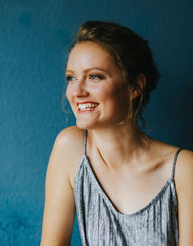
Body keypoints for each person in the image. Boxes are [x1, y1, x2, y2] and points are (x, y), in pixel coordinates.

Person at [40, 21, 193, 246]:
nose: (77, 91)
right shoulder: (69, 147)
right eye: (71, 77)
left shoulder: (184, 170)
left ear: (135, 87)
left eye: (95, 76)